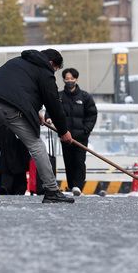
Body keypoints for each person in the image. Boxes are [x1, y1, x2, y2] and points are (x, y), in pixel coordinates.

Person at [0, 48, 74, 204]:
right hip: (10, 108)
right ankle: (52, 190)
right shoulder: (45, 70)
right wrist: (63, 131)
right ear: (52, 63)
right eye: (55, 70)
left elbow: (20, 89)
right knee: (36, 145)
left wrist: (34, 112)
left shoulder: (17, 62)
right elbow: (53, 103)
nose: (53, 73)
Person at [46, 68, 98, 196]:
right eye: (67, 79)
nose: (69, 81)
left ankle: (78, 185)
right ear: (63, 79)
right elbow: (51, 108)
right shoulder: (59, 96)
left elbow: (92, 115)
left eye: (72, 78)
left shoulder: (85, 97)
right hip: (65, 135)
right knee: (68, 161)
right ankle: (71, 185)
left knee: (79, 161)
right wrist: (48, 117)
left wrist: (86, 130)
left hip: (81, 136)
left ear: (76, 79)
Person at [0, 125, 31, 195]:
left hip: (5, 128)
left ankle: (6, 185)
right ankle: (13, 186)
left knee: (7, 157)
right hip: (18, 126)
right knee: (19, 157)